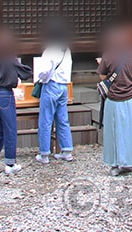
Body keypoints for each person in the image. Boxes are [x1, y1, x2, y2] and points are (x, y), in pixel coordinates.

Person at [0, 27, 32, 174]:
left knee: (0, 128)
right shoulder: (11, 60)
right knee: (10, 130)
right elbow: (27, 73)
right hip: (5, 96)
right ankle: (10, 164)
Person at [96, 20, 132, 176]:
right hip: (131, 98)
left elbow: (102, 76)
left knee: (114, 131)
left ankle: (116, 163)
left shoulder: (108, 55)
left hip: (113, 99)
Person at [35, 17, 74, 164]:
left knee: (46, 120)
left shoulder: (50, 50)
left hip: (51, 85)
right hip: (64, 87)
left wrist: (40, 79)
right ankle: (67, 150)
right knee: (63, 119)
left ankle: (44, 153)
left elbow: (44, 71)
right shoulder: (66, 49)